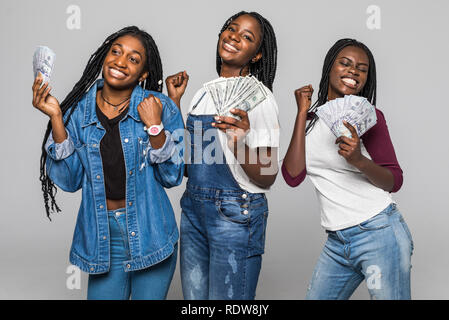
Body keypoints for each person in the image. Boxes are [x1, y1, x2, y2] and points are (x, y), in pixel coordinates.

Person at [32, 26, 185, 300]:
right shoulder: (77, 111)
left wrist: (155, 128)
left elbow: (172, 176)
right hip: (103, 236)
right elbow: (69, 181)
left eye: (133, 59)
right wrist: (56, 117)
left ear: (144, 73)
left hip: (151, 233)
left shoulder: (160, 107)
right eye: (116, 52)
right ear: (105, 56)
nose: (120, 61)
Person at [282, 38, 413, 300]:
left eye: (362, 69)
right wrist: (301, 113)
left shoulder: (370, 118)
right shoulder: (310, 120)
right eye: (345, 63)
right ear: (329, 67)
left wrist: (358, 160)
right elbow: (292, 176)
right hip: (337, 241)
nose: (353, 71)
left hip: (379, 233)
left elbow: (394, 181)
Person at [168, 11, 280, 300]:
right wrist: (174, 103)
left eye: (247, 37)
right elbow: (189, 166)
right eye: (231, 29)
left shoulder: (261, 98)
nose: (234, 37)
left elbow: (268, 176)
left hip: (234, 215)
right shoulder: (203, 93)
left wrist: (239, 142)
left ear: (256, 56)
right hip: (193, 210)